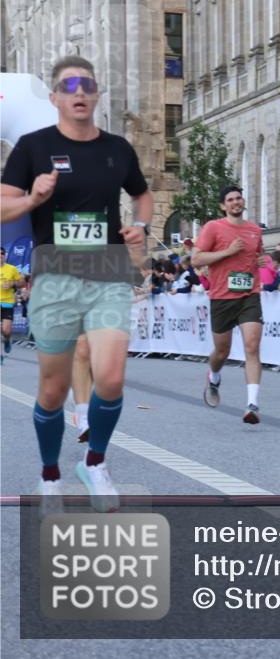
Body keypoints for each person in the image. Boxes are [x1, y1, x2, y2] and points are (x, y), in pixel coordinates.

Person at [0, 55, 153, 514]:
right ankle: (50, 474)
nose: (79, 92)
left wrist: (140, 226)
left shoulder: (117, 149)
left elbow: (142, 195)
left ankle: (95, 462)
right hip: (56, 273)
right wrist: (34, 197)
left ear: (96, 94)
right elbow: (4, 207)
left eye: (87, 85)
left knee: (111, 376)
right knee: (53, 387)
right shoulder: (31, 147)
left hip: (107, 270)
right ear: (55, 98)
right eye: (69, 86)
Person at [192, 185, 267, 424]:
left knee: (252, 347)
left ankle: (252, 405)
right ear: (223, 206)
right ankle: (214, 376)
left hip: (249, 295)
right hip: (222, 297)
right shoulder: (213, 227)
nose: (236, 202)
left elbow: (257, 257)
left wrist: (261, 261)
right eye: (230, 199)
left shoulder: (255, 230)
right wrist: (226, 252)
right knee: (222, 351)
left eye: (239, 198)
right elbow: (196, 258)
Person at [0, 247, 25, 360]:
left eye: (2, 253)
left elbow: (21, 283)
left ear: (5, 255)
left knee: (6, 330)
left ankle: (7, 340)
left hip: (7, 303)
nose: (0, 255)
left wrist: (12, 285)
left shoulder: (12, 269)